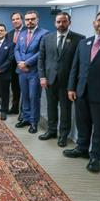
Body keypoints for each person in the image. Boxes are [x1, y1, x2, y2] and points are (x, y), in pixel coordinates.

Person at [65, 11, 100, 173]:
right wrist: (71, 87)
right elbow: (75, 67)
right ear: (93, 22)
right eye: (99, 20)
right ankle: (82, 148)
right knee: (82, 123)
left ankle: (96, 157)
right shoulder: (84, 43)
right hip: (82, 92)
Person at [38, 12, 85, 147]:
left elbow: (79, 63)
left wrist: (73, 84)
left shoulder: (79, 39)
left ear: (69, 22)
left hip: (67, 82)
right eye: (58, 22)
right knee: (51, 108)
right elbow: (41, 59)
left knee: (65, 110)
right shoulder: (47, 38)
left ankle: (63, 135)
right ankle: (51, 130)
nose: (61, 24)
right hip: (49, 80)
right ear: (55, 23)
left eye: (64, 21)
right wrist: (42, 76)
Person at [14, 11, 49, 134]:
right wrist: (20, 62)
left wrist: (27, 63)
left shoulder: (44, 33)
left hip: (34, 71)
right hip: (22, 71)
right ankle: (26, 118)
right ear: (24, 21)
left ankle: (34, 122)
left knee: (34, 97)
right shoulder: (22, 33)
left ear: (37, 20)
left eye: (32, 19)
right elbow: (17, 49)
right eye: (27, 19)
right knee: (25, 96)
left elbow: (41, 52)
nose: (29, 21)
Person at [6, 12, 24, 118]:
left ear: (22, 20)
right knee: (15, 88)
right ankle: (15, 107)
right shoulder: (10, 33)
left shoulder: (28, 31)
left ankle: (24, 112)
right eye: (13, 19)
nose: (15, 21)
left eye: (17, 18)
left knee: (26, 91)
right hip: (12, 66)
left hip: (25, 66)